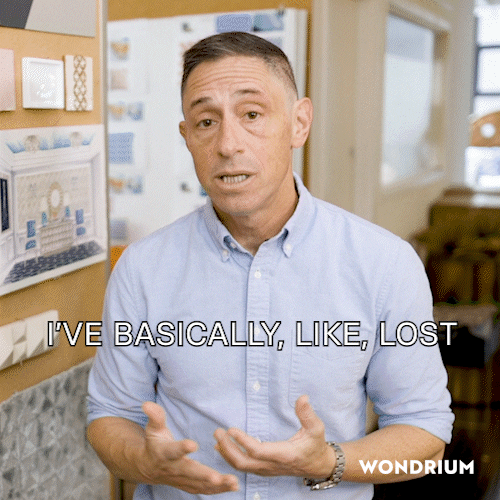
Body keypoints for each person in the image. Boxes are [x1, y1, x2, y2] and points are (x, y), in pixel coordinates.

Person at [87, 31, 454, 500]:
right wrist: (145, 462)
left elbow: (425, 435)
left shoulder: (385, 264)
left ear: (299, 123)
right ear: (187, 137)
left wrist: (330, 461)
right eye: (206, 122)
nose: (227, 144)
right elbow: (110, 416)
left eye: (252, 115)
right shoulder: (142, 268)